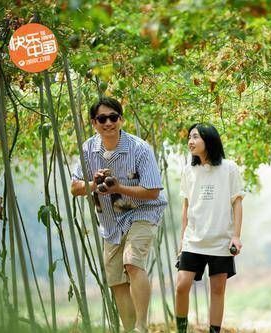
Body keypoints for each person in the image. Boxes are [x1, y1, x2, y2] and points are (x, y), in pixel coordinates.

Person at [71, 97, 167, 333]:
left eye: (113, 117)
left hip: (142, 212)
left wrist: (118, 188)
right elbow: (75, 188)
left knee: (132, 262)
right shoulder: (88, 149)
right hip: (109, 222)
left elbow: (153, 191)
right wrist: (93, 183)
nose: (108, 123)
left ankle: (142, 327)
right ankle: (130, 328)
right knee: (116, 280)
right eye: (102, 119)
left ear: (121, 120)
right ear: (94, 123)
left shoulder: (139, 148)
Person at [175, 123, 244, 333]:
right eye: (189, 137)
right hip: (193, 240)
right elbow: (186, 207)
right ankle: (181, 330)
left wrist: (236, 236)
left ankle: (214, 331)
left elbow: (237, 202)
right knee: (181, 286)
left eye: (195, 137)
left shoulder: (229, 168)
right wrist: (182, 242)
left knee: (217, 289)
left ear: (209, 139)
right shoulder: (189, 171)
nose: (190, 141)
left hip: (221, 240)